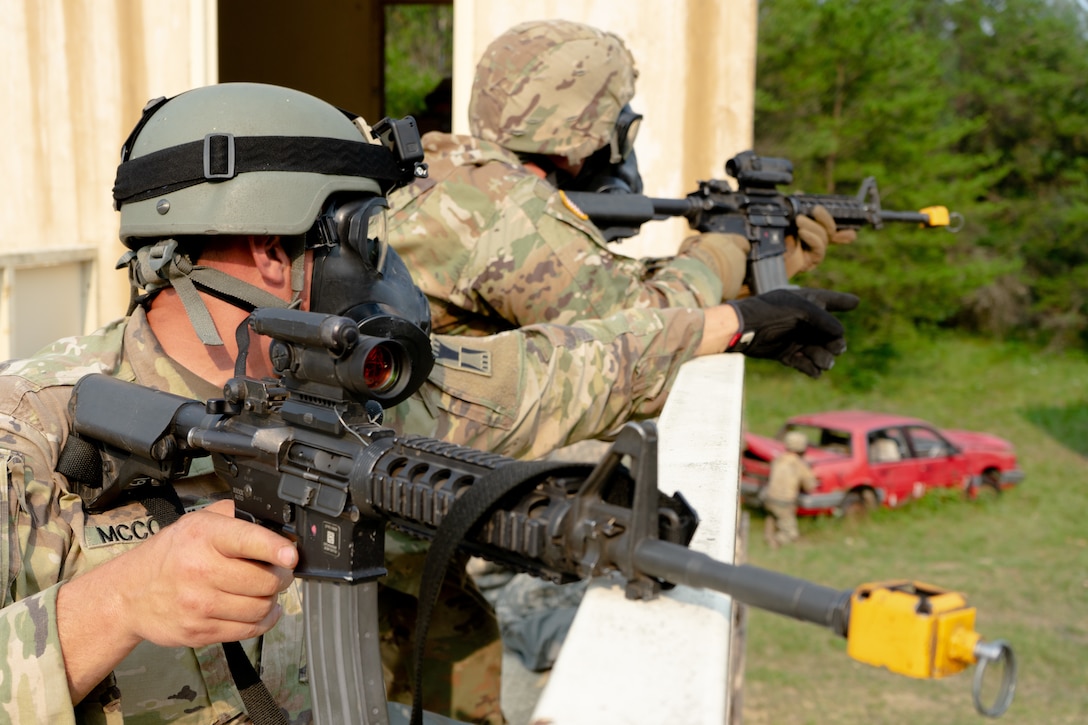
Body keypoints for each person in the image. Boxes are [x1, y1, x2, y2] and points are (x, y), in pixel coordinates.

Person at [0, 82, 857, 724]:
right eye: (363, 233)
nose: (384, 264)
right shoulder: (28, 433)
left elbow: (558, 370)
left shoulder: (351, 389)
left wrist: (732, 319)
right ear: (271, 251)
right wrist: (112, 605)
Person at [387, 18, 856, 342]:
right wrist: (715, 258)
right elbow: (636, 334)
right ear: (578, 131)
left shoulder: (445, 165)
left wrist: (758, 270)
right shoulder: (508, 210)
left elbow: (598, 283)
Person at [763, 430, 819, 549]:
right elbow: (810, 486)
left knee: (772, 517)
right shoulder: (799, 464)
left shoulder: (778, 460)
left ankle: (768, 537)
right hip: (784, 502)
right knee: (791, 534)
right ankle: (775, 543)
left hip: (769, 498)